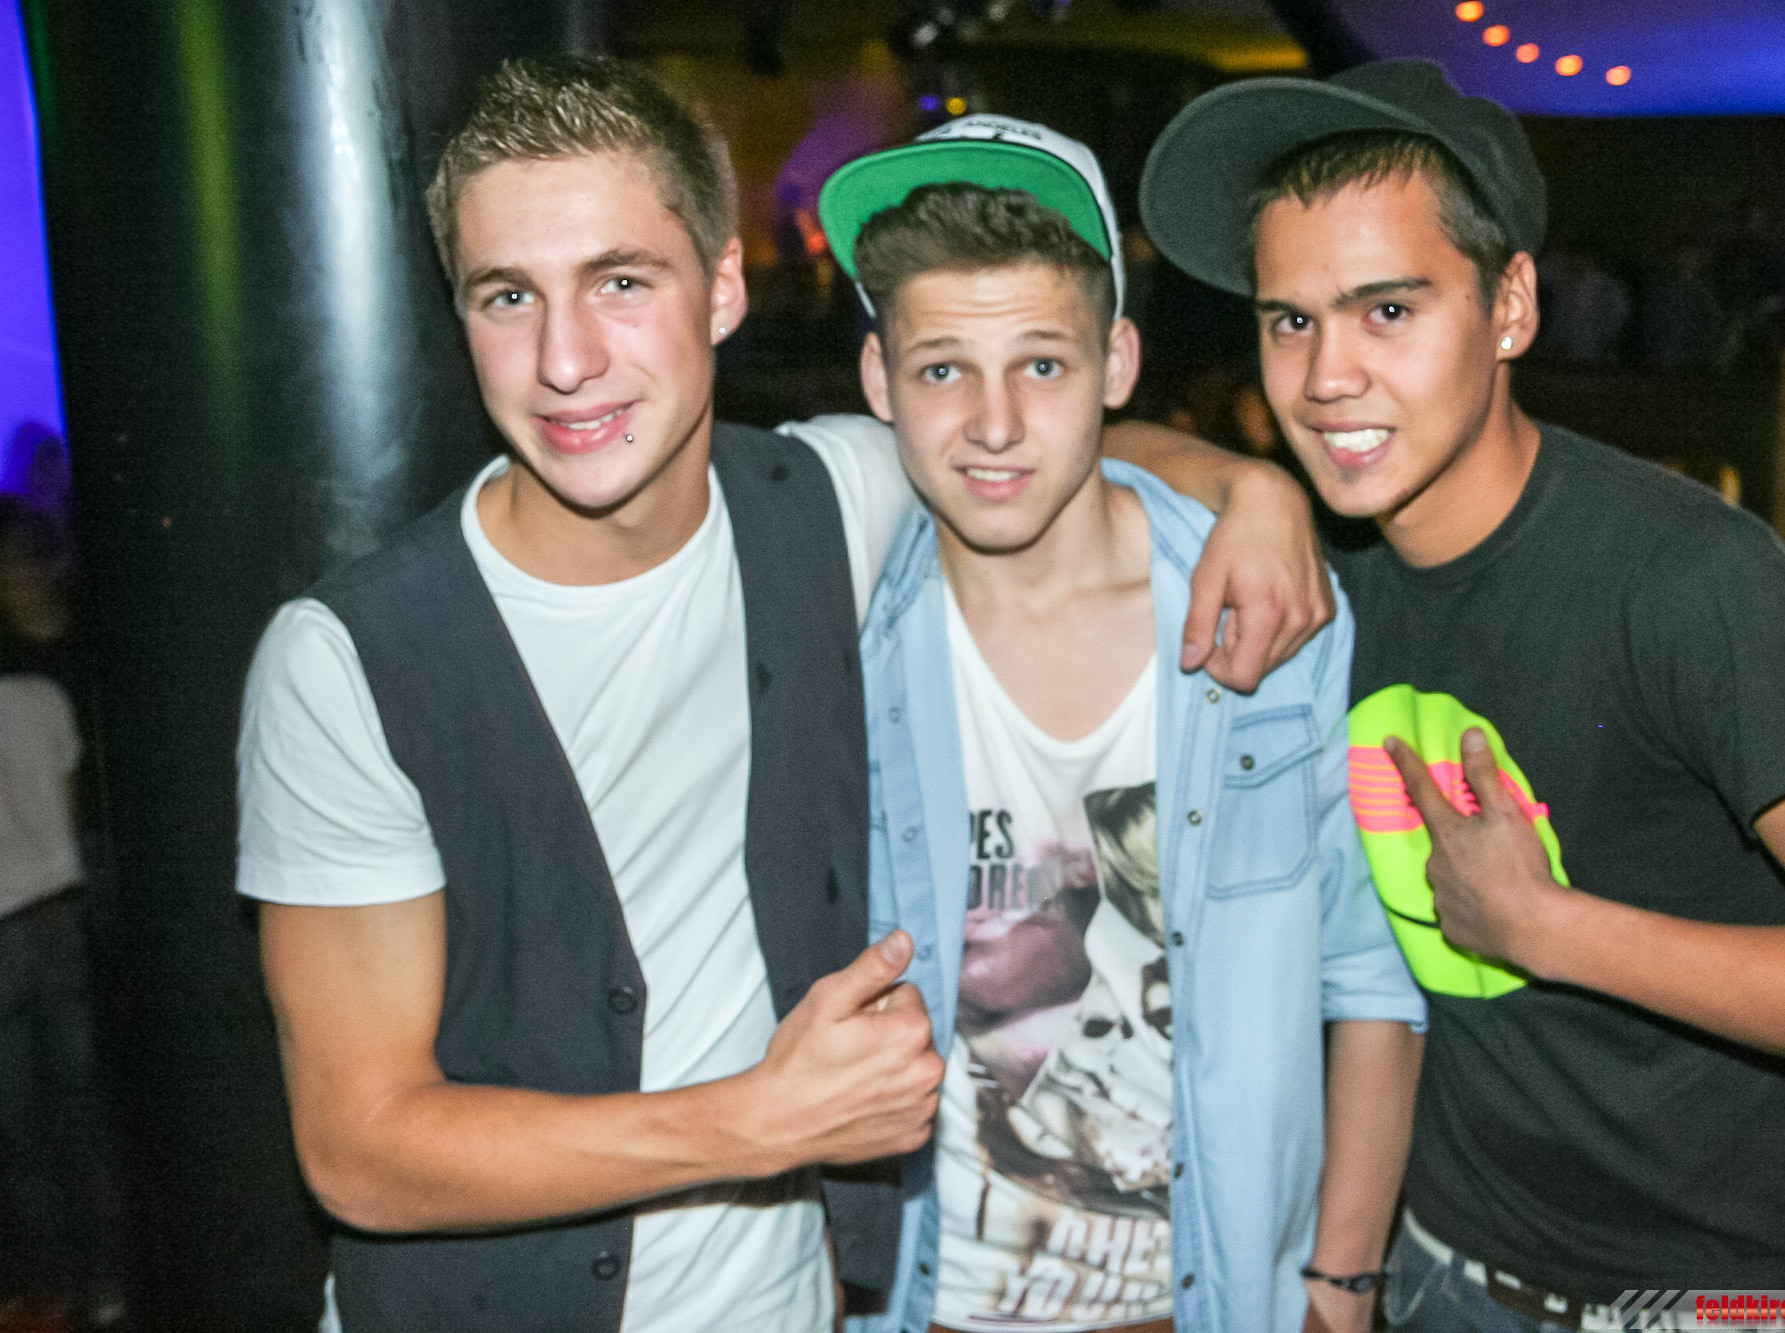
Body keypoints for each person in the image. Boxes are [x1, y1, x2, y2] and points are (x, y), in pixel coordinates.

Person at [236, 57, 1332, 1333]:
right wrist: (756, 1121)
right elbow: (359, 1150)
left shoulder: (829, 499)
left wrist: (1254, 489)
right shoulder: (349, 661)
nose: (563, 359)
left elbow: (1029, 427)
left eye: (620, 282)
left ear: (721, 289)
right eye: (507, 295)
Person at [1136, 59, 1785, 1332]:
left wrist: (1547, 928)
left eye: (1387, 310)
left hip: (1724, 1298)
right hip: (1447, 1265)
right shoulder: (1325, 553)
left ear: (1510, 308)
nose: (1325, 377)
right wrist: (1246, 485)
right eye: (1289, 321)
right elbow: (1077, 447)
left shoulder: (1682, 581)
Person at [815, 115, 1425, 1333]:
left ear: (1117, 363)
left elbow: (1369, 974)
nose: (993, 424)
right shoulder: (837, 618)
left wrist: (1341, 1285)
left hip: (1214, 1303)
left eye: (1042, 365)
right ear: (879, 380)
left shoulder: (1263, 609)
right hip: (922, 1303)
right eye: (941, 370)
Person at [0, 497, 127, 1330]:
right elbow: (77, 807)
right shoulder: (45, 691)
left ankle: (50, 1289)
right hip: (60, 912)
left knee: (20, 1126)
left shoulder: (42, 680)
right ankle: (109, 1281)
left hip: (10, 925)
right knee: (79, 1111)